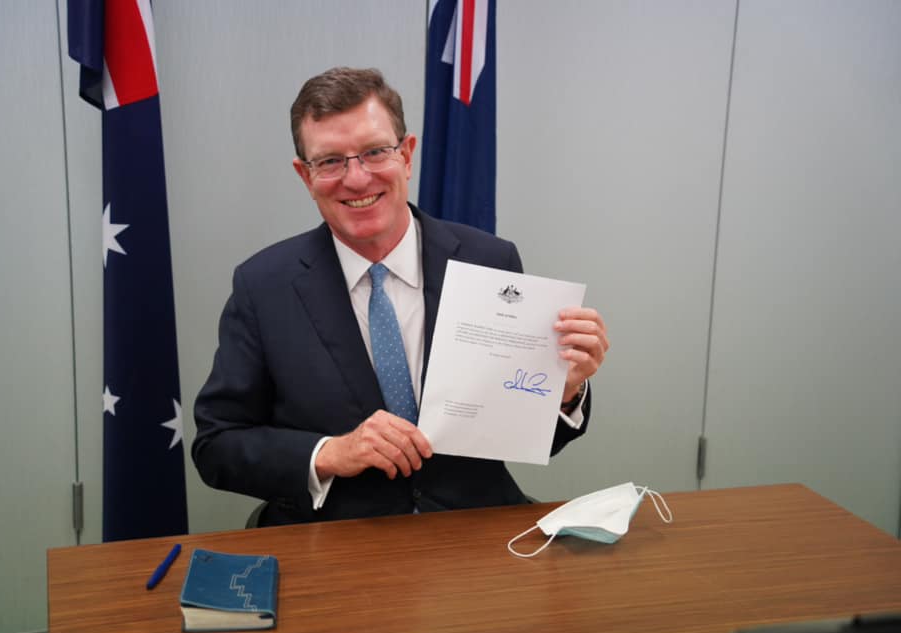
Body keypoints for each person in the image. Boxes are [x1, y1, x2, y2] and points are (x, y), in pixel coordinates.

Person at [192, 67, 609, 526]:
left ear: (407, 156)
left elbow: (521, 434)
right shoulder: (263, 286)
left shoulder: (489, 260)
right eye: (330, 161)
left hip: (473, 532)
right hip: (335, 542)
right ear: (304, 175)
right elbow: (217, 445)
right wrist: (330, 453)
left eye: (375, 152)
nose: (356, 178)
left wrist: (564, 391)